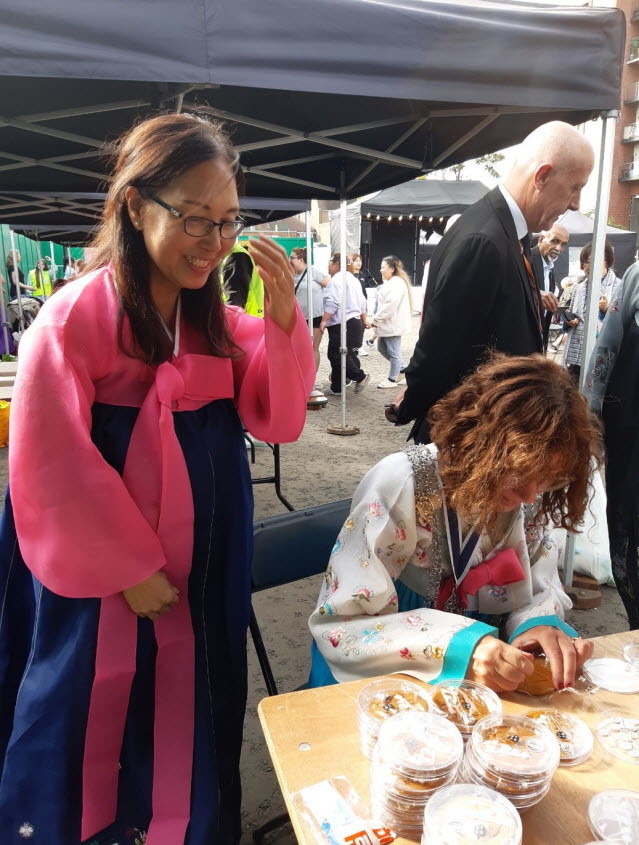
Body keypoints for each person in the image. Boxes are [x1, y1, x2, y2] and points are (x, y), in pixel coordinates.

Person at [0, 112, 314, 845]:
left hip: (203, 567)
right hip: (98, 576)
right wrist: (129, 567)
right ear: (137, 207)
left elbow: (276, 416)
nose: (214, 242)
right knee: (89, 700)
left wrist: (284, 322)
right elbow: (49, 460)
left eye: (228, 222)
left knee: (197, 697)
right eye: (196, 219)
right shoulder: (71, 320)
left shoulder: (219, 327)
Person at [309, 354, 600, 692]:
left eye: (549, 479)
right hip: (383, 673)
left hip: (481, 677)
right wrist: (459, 646)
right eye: (520, 473)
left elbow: (538, 586)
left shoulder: (529, 499)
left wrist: (534, 627)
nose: (531, 494)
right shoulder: (403, 483)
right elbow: (343, 624)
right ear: (478, 442)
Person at [387, 121, 594, 443]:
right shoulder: (484, 241)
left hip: (486, 433)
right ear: (542, 176)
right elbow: (441, 346)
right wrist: (412, 401)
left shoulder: (505, 234)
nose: (576, 203)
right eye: (575, 187)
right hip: (469, 439)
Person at [585, 263, 639, 628]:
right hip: (632, 430)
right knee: (626, 529)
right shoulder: (637, 275)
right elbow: (608, 344)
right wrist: (591, 407)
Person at [563, 240, 620, 385]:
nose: (589, 266)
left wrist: (606, 310)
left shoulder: (620, 287)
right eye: (586, 262)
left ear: (608, 261)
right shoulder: (579, 288)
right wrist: (569, 322)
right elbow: (572, 315)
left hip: (602, 358)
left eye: (595, 261)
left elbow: (623, 324)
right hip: (577, 356)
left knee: (597, 395)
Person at [320, 252, 370, 395]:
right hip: (354, 322)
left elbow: (333, 302)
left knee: (336, 354)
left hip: (342, 323)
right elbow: (363, 302)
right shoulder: (353, 279)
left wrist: (324, 320)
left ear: (336, 264)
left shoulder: (336, 280)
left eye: (330, 262)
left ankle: (360, 377)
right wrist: (364, 319)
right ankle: (337, 387)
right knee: (345, 353)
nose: (328, 265)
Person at [371, 255, 413, 389]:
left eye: (383, 267)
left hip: (392, 325)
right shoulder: (393, 283)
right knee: (382, 348)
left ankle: (392, 378)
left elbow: (390, 305)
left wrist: (376, 320)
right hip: (388, 324)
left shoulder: (396, 284)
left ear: (392, 269)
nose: (381, 270)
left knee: (394, 352)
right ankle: (403, 369)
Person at [290, 246, 329, 382]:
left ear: (301, 259)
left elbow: (330, 286)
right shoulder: (291, 274)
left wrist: (327, 309)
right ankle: (301, 376)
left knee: (313, 347)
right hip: (298, 318)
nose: (290, 260)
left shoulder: (313, 272)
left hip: (315, 316)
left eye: (292, 257)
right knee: (299, 348)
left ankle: (312, 378)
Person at [531, 224, 569, 349]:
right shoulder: (526, 260)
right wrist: (536, 295)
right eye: (555, 241)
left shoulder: (549, 267)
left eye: (563, 244)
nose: (559, 248)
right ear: (541, 240)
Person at [221, 240, 265, 317]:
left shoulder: (237, 257)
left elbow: (235, 303)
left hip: (244, 319)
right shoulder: (229, 256)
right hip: (247, 318)